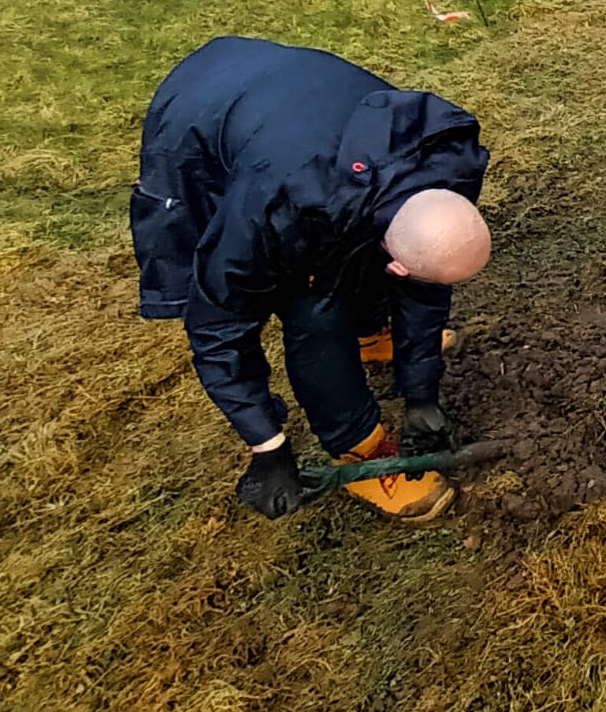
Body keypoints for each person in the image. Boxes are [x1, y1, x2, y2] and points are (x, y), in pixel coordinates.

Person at [132, 37, 493, 521]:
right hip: (198, 116)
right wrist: (269, 447)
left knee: (363, 248)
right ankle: (357, 445)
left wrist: (421, 393)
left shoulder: (445, 161)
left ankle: (370, 335)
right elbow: (218, 329)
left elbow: (423, 283)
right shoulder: (275, 212)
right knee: (315, 307)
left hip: (288, 95)